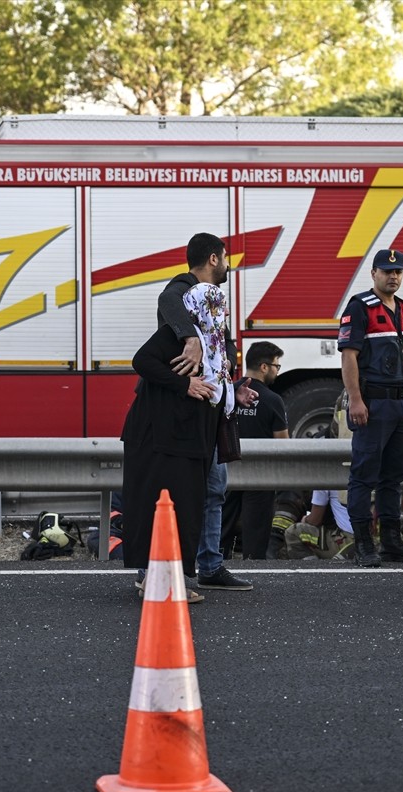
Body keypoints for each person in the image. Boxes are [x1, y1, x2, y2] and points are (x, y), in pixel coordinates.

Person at [155, 233, 255, 591]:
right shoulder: (182, 289)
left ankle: (211, 565)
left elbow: (219, 356)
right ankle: (174, 571)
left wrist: (235, 388)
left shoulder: (213, 306)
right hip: (188, 412)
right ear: (213, 259)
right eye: (226, 257)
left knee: (215, 490)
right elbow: (167, 300)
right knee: (188, 493)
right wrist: (189, 337)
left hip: (215, 409)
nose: (229, 264)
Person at [119, 285, 224, 604]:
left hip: (182, 437)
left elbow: (212, 382)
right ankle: (161, 581)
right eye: (218, 307)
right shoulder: (176, 337)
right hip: (160, 438)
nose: (225, 313)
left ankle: (164, 578)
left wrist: (235, 394)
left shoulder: (209, 342)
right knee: (169, 509)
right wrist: (184, 384)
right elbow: (142, 361)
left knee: (183, 508)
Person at [339, 248, 403, 567]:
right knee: (364, 475)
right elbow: (348, 356)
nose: (393, 276)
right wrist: (356, 399)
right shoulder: (360, 307)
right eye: (387, 271)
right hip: (373, 403)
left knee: (393, 477)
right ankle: (364, 543)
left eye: (398, 271)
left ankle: (391, 542)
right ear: (373, 273)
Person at [221, 341, 289, 559]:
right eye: (276, 366)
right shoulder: (273, 400)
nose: (277, 371)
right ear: (264, 367)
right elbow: (283, 443)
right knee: (256, 535)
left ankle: (216, 565)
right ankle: (253, 569)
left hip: (227, 470)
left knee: (221, 528)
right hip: (261, 475)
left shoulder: (229, 392)